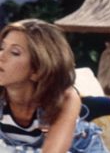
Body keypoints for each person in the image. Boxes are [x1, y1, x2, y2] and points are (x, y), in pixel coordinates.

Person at [0, 19, 86, 152]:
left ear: (38, 71)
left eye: (15, 52)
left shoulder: (65, 98)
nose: (1, 56)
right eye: (1, 48)